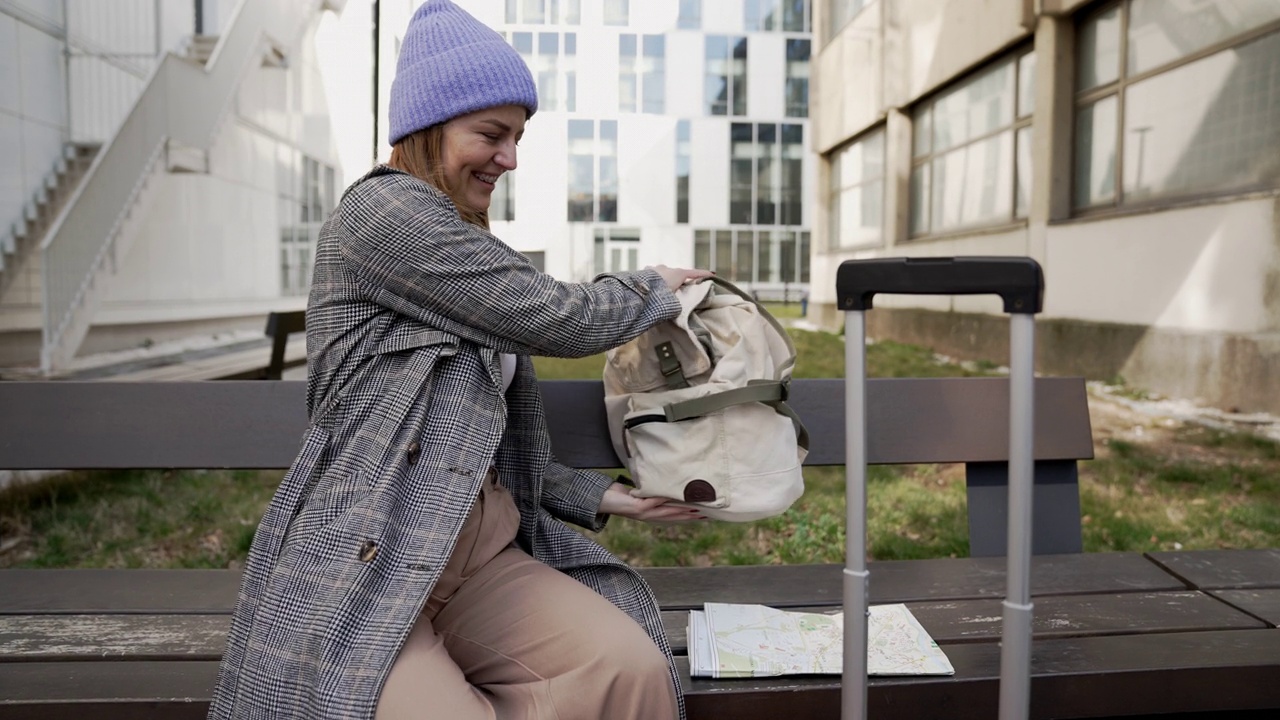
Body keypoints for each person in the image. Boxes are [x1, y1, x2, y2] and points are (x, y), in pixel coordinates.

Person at [207, 1, 712, 719]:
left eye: (517, 136)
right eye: (492, 134)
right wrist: (652, 287)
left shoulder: (460, 243)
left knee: (630, 670)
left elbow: (474, 444)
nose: (510, 157)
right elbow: (557, 316)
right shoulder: (382, 216)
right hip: (369, 557)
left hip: (476, 559)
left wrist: (603, 496)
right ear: (427, 128)